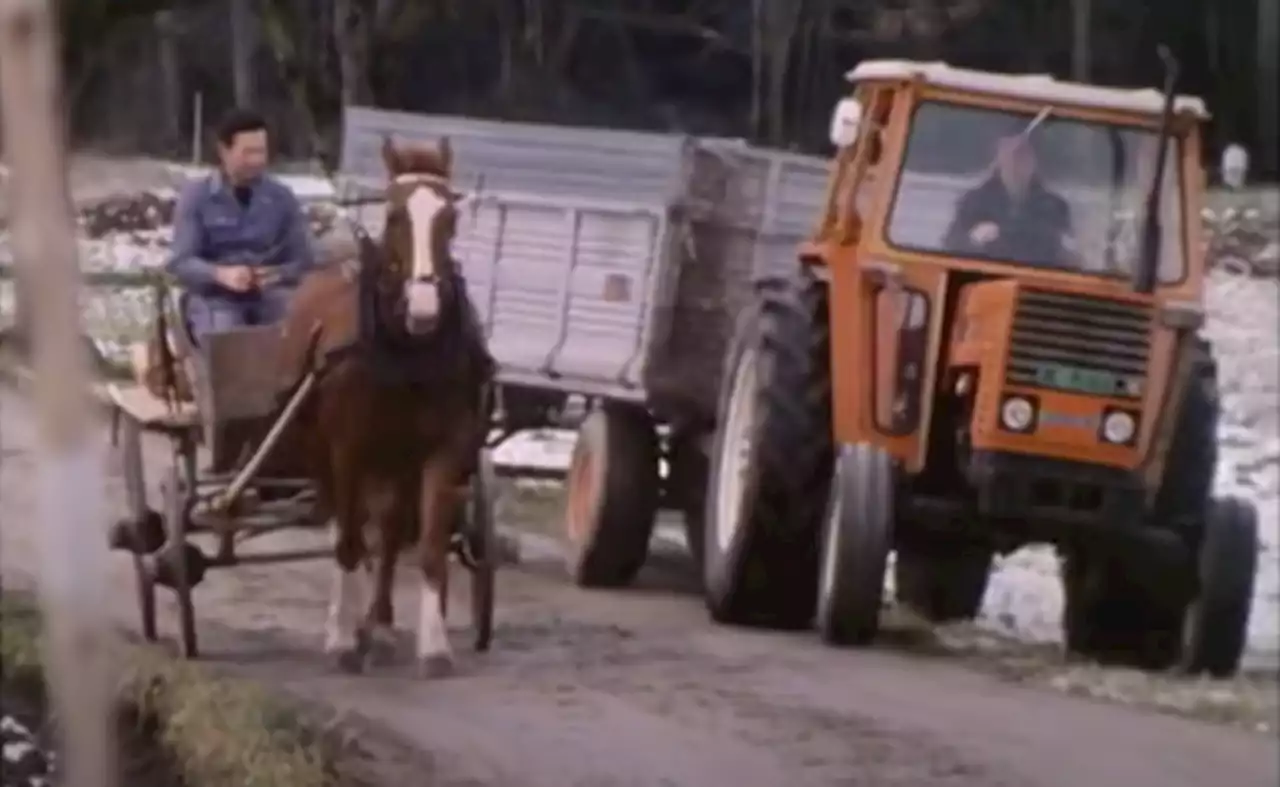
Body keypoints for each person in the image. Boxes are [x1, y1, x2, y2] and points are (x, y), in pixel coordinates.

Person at [167, 108, 315, 339]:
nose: (257, 161)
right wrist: (221, 274)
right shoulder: (197, 196)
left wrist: (277, 274)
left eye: (261, 152)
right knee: (228, 339)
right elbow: (180, 261)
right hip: (214, 298)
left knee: (304, 332)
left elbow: (304, 258)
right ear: (224, 151)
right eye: (248, 152)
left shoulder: (282, 197)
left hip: (271, 295)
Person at [942, 134, 1075, 267]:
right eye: (1009, 154)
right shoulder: (973, 202)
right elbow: (950, 244)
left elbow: (1070, 252)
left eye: (1022, 155)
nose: (1015, 163)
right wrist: (973, 239)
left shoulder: (1055, 207)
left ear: (1034, 160)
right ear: (998, 158)